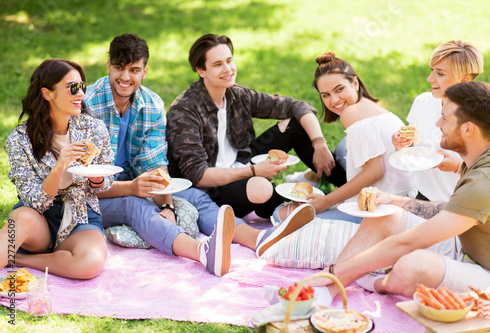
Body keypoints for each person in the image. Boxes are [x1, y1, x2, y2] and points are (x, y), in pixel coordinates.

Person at [83, 33, 314, 277]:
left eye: (134, 69)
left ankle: (261, 239)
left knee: (196, 198)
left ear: (145, 71)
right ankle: (202, 252)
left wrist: (168, 205)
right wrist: (132, 188)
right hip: (95, 194)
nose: (126, 77)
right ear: (108, 66)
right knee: (135, 205)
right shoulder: (87, 104)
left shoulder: (150, 104)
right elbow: (81, 181)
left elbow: (156, 165)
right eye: (119, 69)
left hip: (141, 184)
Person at [313, 81, 490, 298]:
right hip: (465, 247)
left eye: (445, 118)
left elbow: (408, 242)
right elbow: (451, 210)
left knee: (414, 264)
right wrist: (393, 200)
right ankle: (328, 291)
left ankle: (377, 284)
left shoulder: (483, 182)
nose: (438, 123)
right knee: (384, 216)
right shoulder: (481, 154)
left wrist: (335, 270)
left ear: (468, 129)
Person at [166, 34, 346, 219]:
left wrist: (319, 144)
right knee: (261, 188)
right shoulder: (184, 111)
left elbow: (297, 106)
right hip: (211, 189)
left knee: (294, 125)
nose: (228, 69)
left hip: (242, 163)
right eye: (218, 64)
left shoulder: (237, 95)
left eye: (229, 60)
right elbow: (199, 175)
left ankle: (350, 186)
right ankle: (289, 205)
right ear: (201, 70)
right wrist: (253, 172)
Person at [272, 52, 415, 224]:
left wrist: (326, 201)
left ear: (355, 83)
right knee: (343, 147)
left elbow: (375, 172)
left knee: (279, 213)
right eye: (325, 95)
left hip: (379, 210)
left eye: (339, 89)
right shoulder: (374, 108)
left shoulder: (351, 113)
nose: (334, 100)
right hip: (403, 199)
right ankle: (313, 177)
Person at [2, 59, 113, 279]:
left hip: (82, 216)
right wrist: (58, 170)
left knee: (90, 264)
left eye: (82, 86)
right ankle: (23, 252)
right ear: (47, 93)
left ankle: (18, 258)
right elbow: (32, 199)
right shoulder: (20, 139)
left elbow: (106, 182)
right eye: (72, 87)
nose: (80, 93)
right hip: (39, 218)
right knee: (21, 218)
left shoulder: (94, 129)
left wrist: (99, 178)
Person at [393, 40, 483, 202]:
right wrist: (403, 144)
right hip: (422, 197)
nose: (429, 78)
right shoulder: (423, 102)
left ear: (464, 80)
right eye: (432, 70)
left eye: (440, 74)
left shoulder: (482, 118)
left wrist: (457, 167)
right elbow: (415, 148)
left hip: (460, 205)